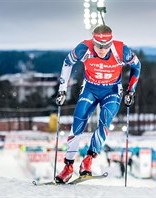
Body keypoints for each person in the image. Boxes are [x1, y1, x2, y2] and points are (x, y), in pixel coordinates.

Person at [54, 24, 141, 183]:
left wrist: (131, 91)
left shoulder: (122, 50)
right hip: (90, 89)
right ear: (92, 41)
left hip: (112, 91)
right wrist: (62, 90)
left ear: (111, 43)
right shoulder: (83, 48)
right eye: (98, 46)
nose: (102, 49)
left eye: (106, 46)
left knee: (105, 121)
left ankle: (88, 159)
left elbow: (137, 66)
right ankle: (68, 166)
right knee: (78, 120)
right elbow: (67, 63)